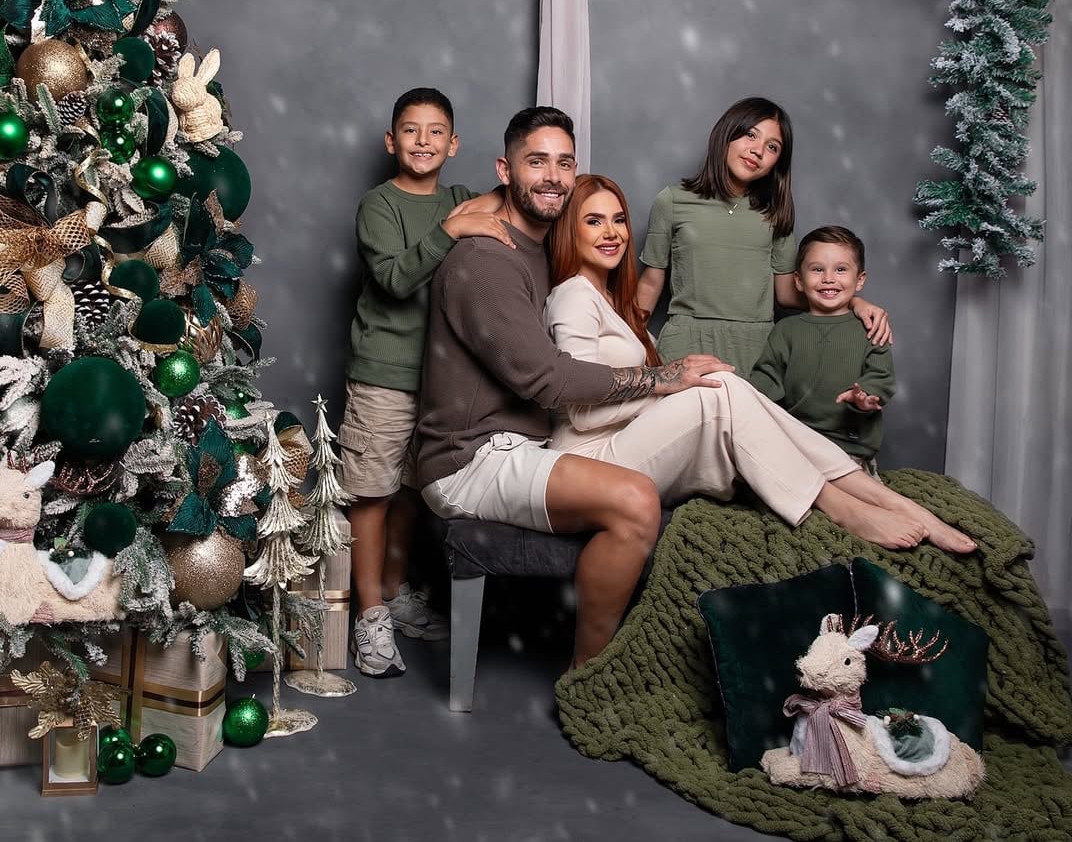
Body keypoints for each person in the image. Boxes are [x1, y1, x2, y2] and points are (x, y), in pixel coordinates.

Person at [415, 107, 732, 668]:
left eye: (564, 163)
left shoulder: (536, 248)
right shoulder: (482, 260)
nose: (553, 176)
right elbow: (548, 379)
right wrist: (664, 377)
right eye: (536, 161)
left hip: (525, 446)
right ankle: (591, 676)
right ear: (505, 169)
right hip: (467, 461)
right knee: (636, 500)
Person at [543, 173, 976, 554]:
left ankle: (889, 501)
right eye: (594, 221)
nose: (612, 232)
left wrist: (854, 302)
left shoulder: (616, 304)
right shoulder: (573, 296)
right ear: (570, 231)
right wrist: (667, 385)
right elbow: (580, 409)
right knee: (719, 386)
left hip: (627, 449)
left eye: (618, 220)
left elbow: (796, 291)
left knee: (723, 387)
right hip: (588, 463)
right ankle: (841, 506)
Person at [343, 87, 510, 677]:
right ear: (392, 141)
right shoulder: (379, 205)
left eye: (436, 131)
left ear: (453, 144)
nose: (423, 141)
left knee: (415, 487)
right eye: (410, 130)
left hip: (443, 379)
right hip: (384, 375)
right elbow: (394, 279)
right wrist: (455, 230)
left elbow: (517, 198)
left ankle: (395, 589)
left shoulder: (465, 198)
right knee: (373, 490)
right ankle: (368, 615)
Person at [635, 97, 891, 377]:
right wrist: (633, 344)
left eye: (772, 147)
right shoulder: (672, 201)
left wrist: (852, 302)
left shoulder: (775, 213)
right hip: (687, 344)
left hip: (755, 349)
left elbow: (786, 293)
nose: (757, 151)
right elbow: (651, 281)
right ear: (726, 135)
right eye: (750, 135)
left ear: (777, 163)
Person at [749, 226, 894, 474]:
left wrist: (865, 397)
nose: (828, 278)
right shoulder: (786, 330)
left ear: (859, 280)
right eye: (817, 269)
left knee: (850, 505)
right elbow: (766, 379)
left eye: (840, 269)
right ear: (798, 280)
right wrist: (738, 394)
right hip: (798, 445)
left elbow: (881, 376)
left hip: (851, 450)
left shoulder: (871, 327)